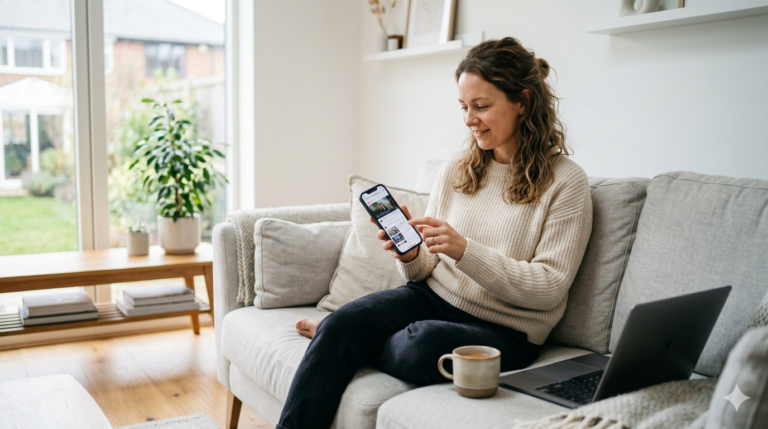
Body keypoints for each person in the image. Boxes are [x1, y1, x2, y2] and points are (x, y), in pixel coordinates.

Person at [278, 37, 593, 429]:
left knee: (418, 347)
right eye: (464, 107)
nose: (468, 119)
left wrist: (465, 251)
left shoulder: (566, 182)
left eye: (481, 106)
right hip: (429, 297)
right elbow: (425, 269)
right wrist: (410, 256)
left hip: (505, 330)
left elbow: (549, 287)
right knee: (345, 322)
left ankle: (337, 341)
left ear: (522, 102)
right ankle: (336, 337)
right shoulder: (460, 166)